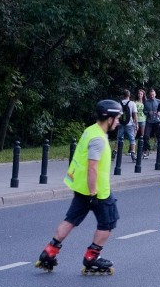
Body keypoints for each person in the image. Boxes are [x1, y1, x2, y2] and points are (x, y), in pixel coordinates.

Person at [35, 100, 122, 275]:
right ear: (109, 118)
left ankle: (49, 252)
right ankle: (92, 257)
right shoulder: (98, 138)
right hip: (97, 191)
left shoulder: (91, 130)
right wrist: (93, 193)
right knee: (108, 223)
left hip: (81, 188)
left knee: (71, 219)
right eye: (118, 117)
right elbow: (92, 166)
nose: (119, 121)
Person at [116, 89, 138, 161]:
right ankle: (133, 153)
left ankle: (115, 151)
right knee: (132, 139)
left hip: (121, 123)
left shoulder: (119, 103)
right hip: (130, 124)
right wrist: (136, 124)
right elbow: (134, 114)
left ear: (123, 95)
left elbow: (117, 114)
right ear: (129, 95)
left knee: (119, 138)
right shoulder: (132, 103)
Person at [143, 88, 160, 159]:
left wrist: (159, 113)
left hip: (157, 121)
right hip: (149, 121)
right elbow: (144, 111)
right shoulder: (146, 102)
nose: (152, 96)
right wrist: (148, 113)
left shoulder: (159, 101)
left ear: (155, 94)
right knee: (146, 136)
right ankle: (147, 149)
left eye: (153, 94)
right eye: (151, 95)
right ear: (149, 95)